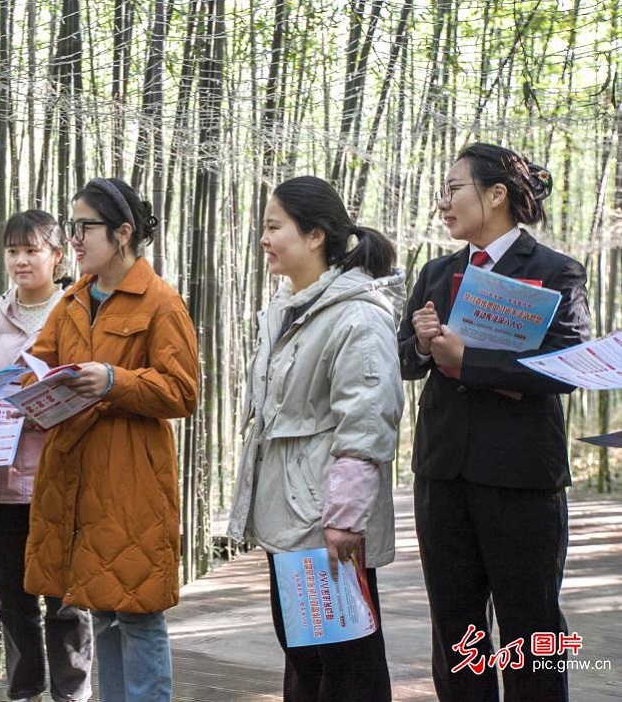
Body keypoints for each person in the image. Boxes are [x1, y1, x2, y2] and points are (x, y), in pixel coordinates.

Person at [398, 143, 591, 701]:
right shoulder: (438, 271)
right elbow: (406, 360)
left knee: (531, 629)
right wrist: (424, 342)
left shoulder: (556, 271)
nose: (443, 203)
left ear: (496, 194)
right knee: (457, 628)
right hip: (443, 475)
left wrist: (469, 362)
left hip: (521, 478)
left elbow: (567, 365)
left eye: (453, 189)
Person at [22, 178, 199, 702]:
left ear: (122, 233)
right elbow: (42, 360)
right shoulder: (73, 299)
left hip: (131, 480)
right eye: (72, 227)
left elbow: (182, 392)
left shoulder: (161, 303)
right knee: (100, 607)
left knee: (138, 612)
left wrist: (115, 381)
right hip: (75, 476)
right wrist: (33, 390)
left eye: (86, 228)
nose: (74, 239)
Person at [227, 176, 402, 701]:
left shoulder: (358, 315)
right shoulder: (287, 309)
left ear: (315, 236)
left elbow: (367, 422)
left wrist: (345, 518)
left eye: (273, 226)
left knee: (349, 663)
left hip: (326, 521)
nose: (264, 238)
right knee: (303, 656)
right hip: (289, 516)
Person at [0, 210, 93, 702]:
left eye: (32, 250)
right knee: (11, 594)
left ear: (58, 257)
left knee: (65, 596)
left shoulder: (80, 311)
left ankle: (72, 692)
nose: (21, 260)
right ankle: (24, 691)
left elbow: (95, 389)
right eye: (13, 251)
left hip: (59, 474)